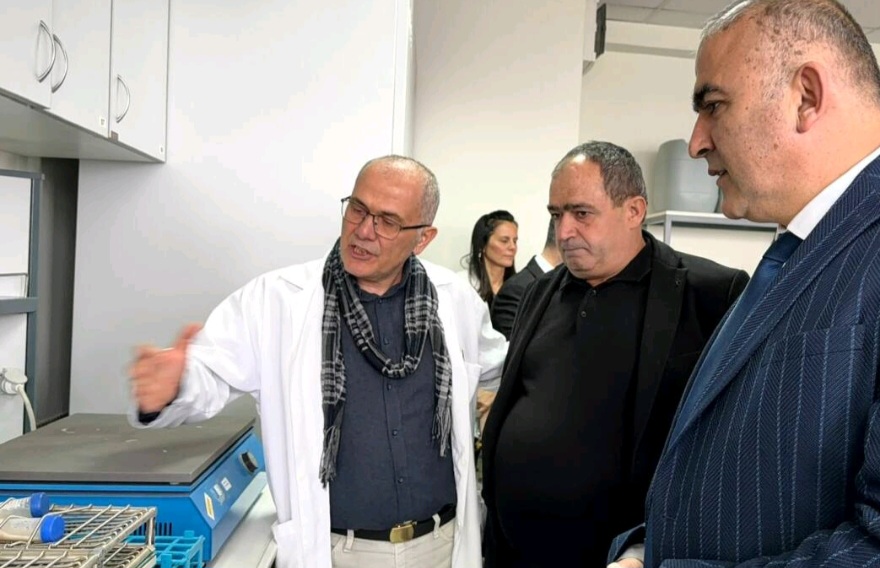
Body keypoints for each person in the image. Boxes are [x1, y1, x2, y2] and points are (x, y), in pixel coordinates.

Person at [609, 1, 880, 567]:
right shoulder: (799, 251)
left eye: (714, 105)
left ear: (806, 96)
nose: (697, 141)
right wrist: (644, 549)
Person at [128, 155, 507, 568]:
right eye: (358, 209)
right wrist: (173, 386)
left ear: (422, 238)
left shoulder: (455, 301)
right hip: (336, 552)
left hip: (441, 546)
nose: (364, 230)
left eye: (387, 221)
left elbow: (505, 369)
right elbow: (209, 371)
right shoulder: (276, 300)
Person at [481, 140, 749, 568]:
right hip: (515, 552)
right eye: (556, 215)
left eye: (581, 213)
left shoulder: (710, 295)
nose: (563, 232)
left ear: (634, 210)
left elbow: (730, 445)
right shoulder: (539, 292)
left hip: (625, 557)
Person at [490, 217, 562, 339]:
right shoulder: (516, 290)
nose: (512, 247)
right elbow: (514, 347)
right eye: (504, 240)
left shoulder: (576, 285)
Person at [459, 210, 518, 306]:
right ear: (483, 245)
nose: (513, 247)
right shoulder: (462, 284)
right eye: (504, 241)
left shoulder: (520, 287)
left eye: (515, 241)